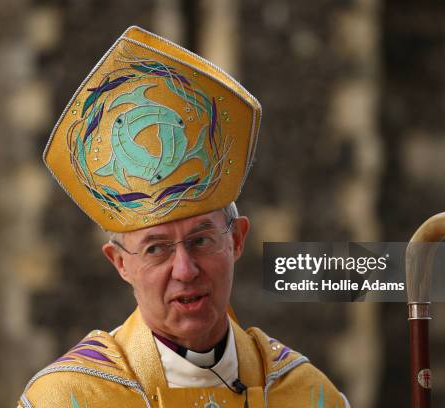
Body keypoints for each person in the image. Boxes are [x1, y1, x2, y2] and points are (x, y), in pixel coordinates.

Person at [18, 26, 349, 408]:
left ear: (237, 239)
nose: (185, 269)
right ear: (121, 262)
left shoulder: (306, 393)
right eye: (156, 248)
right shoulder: (67, 399)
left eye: (201, 240)